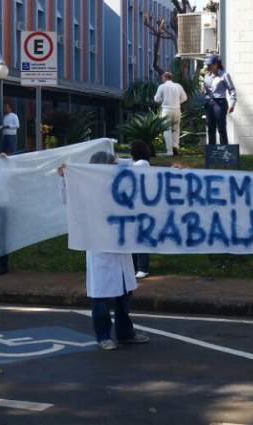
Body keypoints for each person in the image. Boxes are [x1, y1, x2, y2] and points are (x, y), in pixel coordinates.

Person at [60, 151, 149, 350]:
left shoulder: (119, 185)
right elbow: (69, 199)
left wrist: (120, 160)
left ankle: (125, 333)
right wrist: (67, 177)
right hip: (100, 250)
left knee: (124, 295)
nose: (116, 167)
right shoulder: (85, 191)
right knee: (101, 297)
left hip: (121, 249)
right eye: (112, 164)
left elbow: (142, 166)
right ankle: (103, 336)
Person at [128, 140, 154, 280]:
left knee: (140, 238)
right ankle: (134, 266)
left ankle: (143, 267)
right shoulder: (137, 164)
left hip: (141, 208)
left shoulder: (141, 164)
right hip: (134, 207)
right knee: (133, 238)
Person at [201, 54, 236, 145]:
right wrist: (203, 88)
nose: (208, 67)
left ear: (216, 64)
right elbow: (206, 91)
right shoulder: (206, 76)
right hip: (209, 102)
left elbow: (232, 90)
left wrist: (232, 104)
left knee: (221, 127)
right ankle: (212, 152)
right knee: (210, 127)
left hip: (220, 102)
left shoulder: (224, 75)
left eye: (210, 65)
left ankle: (224, 150)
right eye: (207, 65)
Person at [153, 71, 188, 156]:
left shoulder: (162, 86)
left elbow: (157, 99)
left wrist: (163, 100)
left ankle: (169, 151)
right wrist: (177, 102)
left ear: (164, 78)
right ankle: (175, 146)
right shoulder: (178, 86)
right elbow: (185, 98)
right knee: (176, 129)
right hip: (177, 109)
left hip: (166, 110)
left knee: (167, 130)